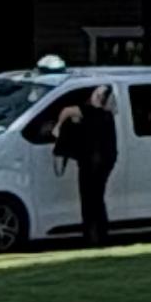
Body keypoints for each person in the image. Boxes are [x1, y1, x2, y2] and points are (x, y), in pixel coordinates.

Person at [54, 85, 117, 247]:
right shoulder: (107, 116)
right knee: (97, 199)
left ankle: (91, 236)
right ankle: (100, 235)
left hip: (90, 163)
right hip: (104, 162)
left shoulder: (90, 112)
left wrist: (58, 126)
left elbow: (67, 111)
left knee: (89, 200)